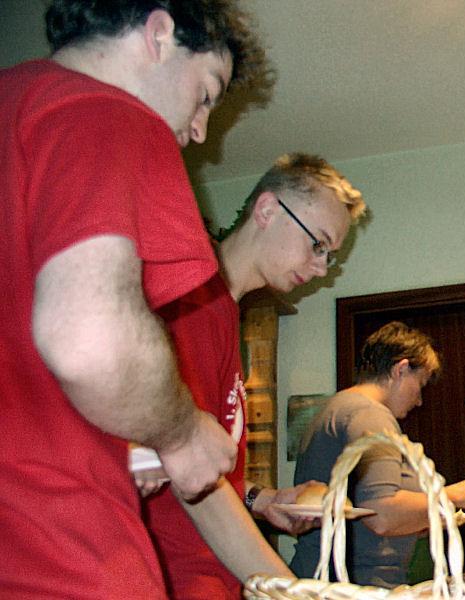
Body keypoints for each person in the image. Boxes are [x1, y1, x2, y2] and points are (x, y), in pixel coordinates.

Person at [0, 1, 266, 597]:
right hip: (54, 556)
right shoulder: (107, 108)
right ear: (159, 34)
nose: (200, 130)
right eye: (206, 93)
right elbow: (89, 340)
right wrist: (182, 433)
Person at [143, 151, 367, 598]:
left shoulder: (224, 313)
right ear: (267, 210)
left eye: (330, 256)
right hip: (173, 577)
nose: (321, 268)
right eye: (318, 245)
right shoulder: (192, 308)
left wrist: (261, 500)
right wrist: (293, 592)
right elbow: (193, 482)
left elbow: (193, 463)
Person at [290, 321, 465, 588]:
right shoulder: (369, 413)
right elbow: (381, 513)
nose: (419, 400)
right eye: (420, 384)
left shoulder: (337, 408)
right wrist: (454, 495)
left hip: (330, 579)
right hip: (357, 585)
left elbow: (364, 512)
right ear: (401, 369)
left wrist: (424, 518)